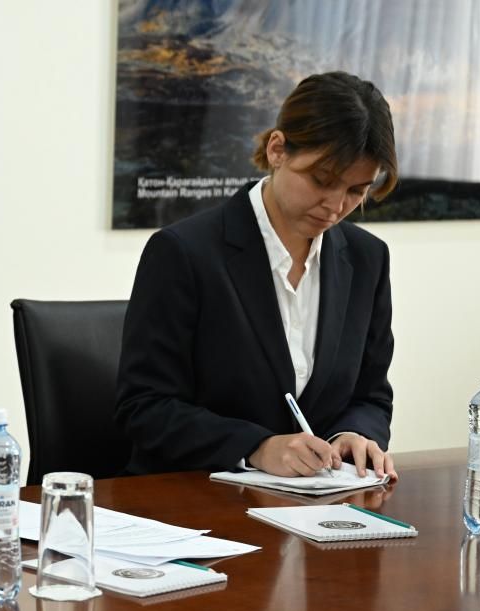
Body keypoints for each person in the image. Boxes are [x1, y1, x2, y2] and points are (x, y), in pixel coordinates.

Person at [116, 71, 399, 480]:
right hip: (195, 500)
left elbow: (371, 395)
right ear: (277, 149)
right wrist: (256, 447)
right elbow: (143, 407)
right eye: (322, 180)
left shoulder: (367, 258)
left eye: (357, 191)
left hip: (317, 503)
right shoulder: (183, 252)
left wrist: (355, 434)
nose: (336, 205)